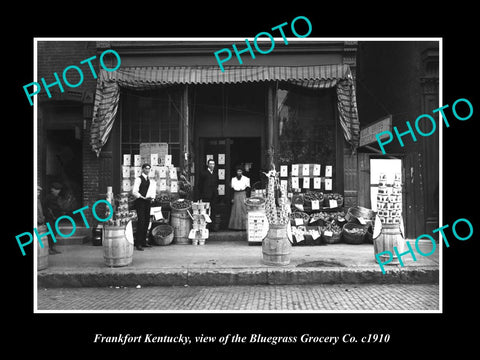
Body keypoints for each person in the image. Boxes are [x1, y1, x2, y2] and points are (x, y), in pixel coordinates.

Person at [132, 163, 156, 251]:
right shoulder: (138, 179)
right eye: (146, 168)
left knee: (146, 221)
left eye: (149, 169)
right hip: (140, 202)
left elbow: (151, 191)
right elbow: (134, 192)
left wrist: (152, 198)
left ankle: (143, 242)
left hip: (147, 202)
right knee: (141, 222)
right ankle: (138, 243)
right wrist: (142, 197)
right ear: (142, 169)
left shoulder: (150, 180)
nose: (148, 170)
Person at [198, 158, 219, 230]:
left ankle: (212, 227)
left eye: (213, 164)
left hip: (214, 195)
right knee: (205, 211)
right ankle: (205, 226)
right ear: (208, 165)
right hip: (206, 195)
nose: (212, 165)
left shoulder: (215, 174)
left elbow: (217, 184)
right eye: (210, 164)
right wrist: (201, 194)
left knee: (213, 211)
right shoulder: (203, 173)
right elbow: (200, 185)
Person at [228, 166, 250, 230]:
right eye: (238, 171)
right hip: (236, 194)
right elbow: (231, 190)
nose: (239, 172)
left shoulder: (246, 179)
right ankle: (235, 226)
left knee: (243, 209)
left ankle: (244, 226)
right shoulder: (233, 179)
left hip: (243, 194)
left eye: (240, 171)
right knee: (236, 210)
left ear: (242, 172)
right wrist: (232, 198)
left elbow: (248, 189)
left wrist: (247, 197)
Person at [45, 182, 63, 254]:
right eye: (57, 189)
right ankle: (49, 248)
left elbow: (58, 208)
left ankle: (52, 247)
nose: (58, 191)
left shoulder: (57, 198)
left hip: (55, 218)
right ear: (52, 190)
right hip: (49, 218)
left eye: (59, 190)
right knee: (51, 232)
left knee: (54, 232)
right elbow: (45, 208)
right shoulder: (48, 198)